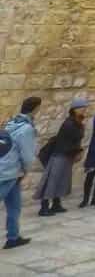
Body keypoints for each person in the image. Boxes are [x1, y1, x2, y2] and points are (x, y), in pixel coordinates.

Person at [0, 97, 40, 250]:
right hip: (10, 172)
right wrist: (26, 171)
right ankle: (13, 237)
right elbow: (28, 156)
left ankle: (13, 237)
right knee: (13, 205)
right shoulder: (27, 129)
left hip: (9, 169)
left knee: (15, 206)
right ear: (35, 109)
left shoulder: (12, 123)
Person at [36, 98, 87, 216]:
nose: (85, 109)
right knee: (51, 181)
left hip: (66, 155)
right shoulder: (69, 123)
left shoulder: (76, 122)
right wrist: (79, 151)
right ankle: (44, 208)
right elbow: (69, 141)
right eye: (82, 107)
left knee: (61, 181)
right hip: (59, 155)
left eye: (85, 107)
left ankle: (56, 204)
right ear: (74, 110)